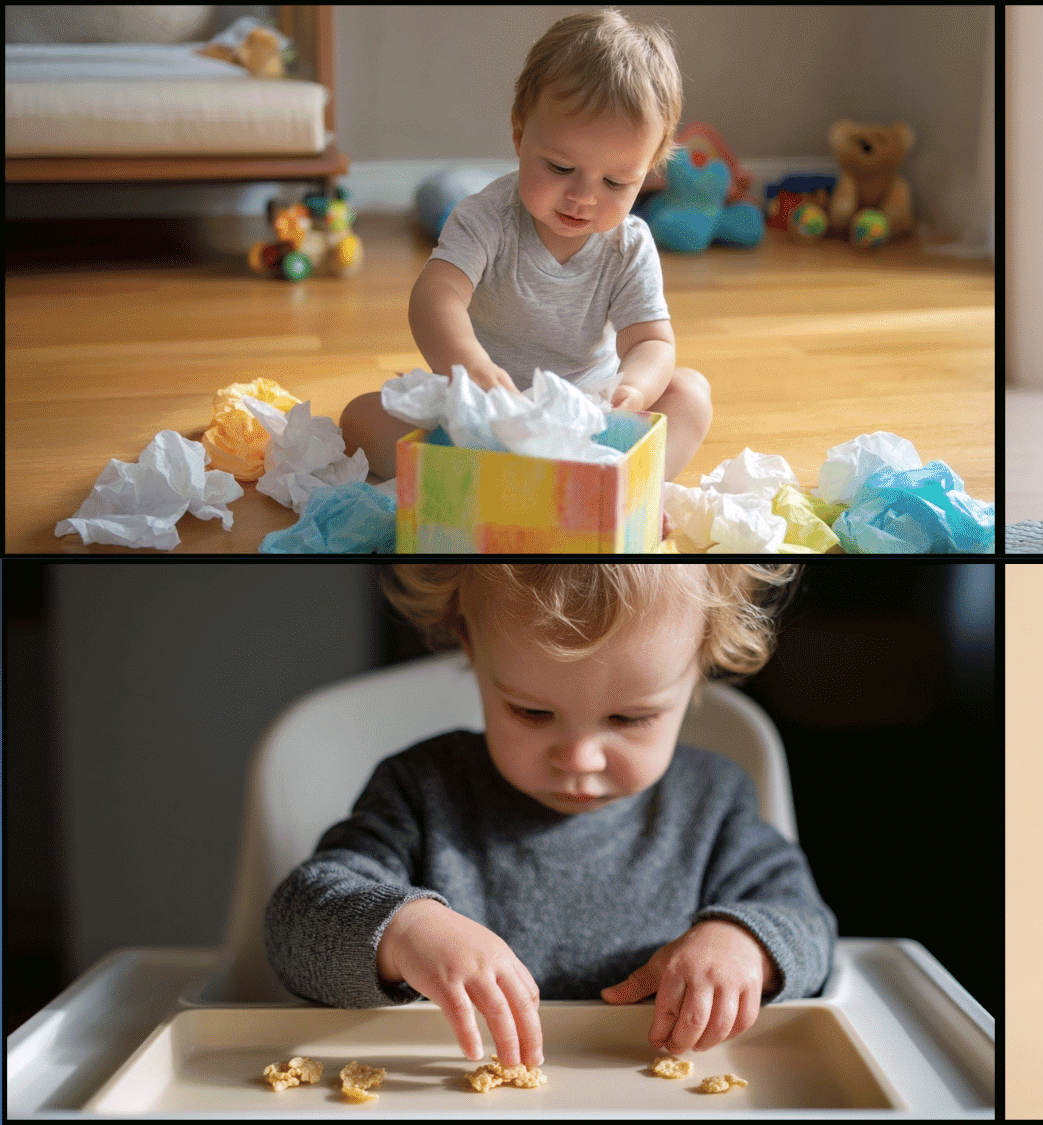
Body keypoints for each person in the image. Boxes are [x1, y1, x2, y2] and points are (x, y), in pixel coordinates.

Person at [264, 563, 832, 1071]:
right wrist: (404, 932)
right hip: (447, 1087)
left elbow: (807, 927)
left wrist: (742, 946)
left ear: (700, 660)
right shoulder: (421, 789)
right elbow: (295, 925)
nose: (580, 759)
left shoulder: (712, 801)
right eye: (533, 713)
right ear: (471, 645)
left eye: (631, 718)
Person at [340, 9, 711, 483]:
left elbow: (651, 342)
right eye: (559, 168)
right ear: (520, 134)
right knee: (361, 416)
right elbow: (436, 296)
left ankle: (627, 493)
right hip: (485, 413)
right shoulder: (485, 217)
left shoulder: (629, 245)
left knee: (691, 394)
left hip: (586, 417)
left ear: (648, 172)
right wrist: (472, 367)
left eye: (617, 181)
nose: (582, 196)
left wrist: (635, 389)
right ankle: (491, 479)